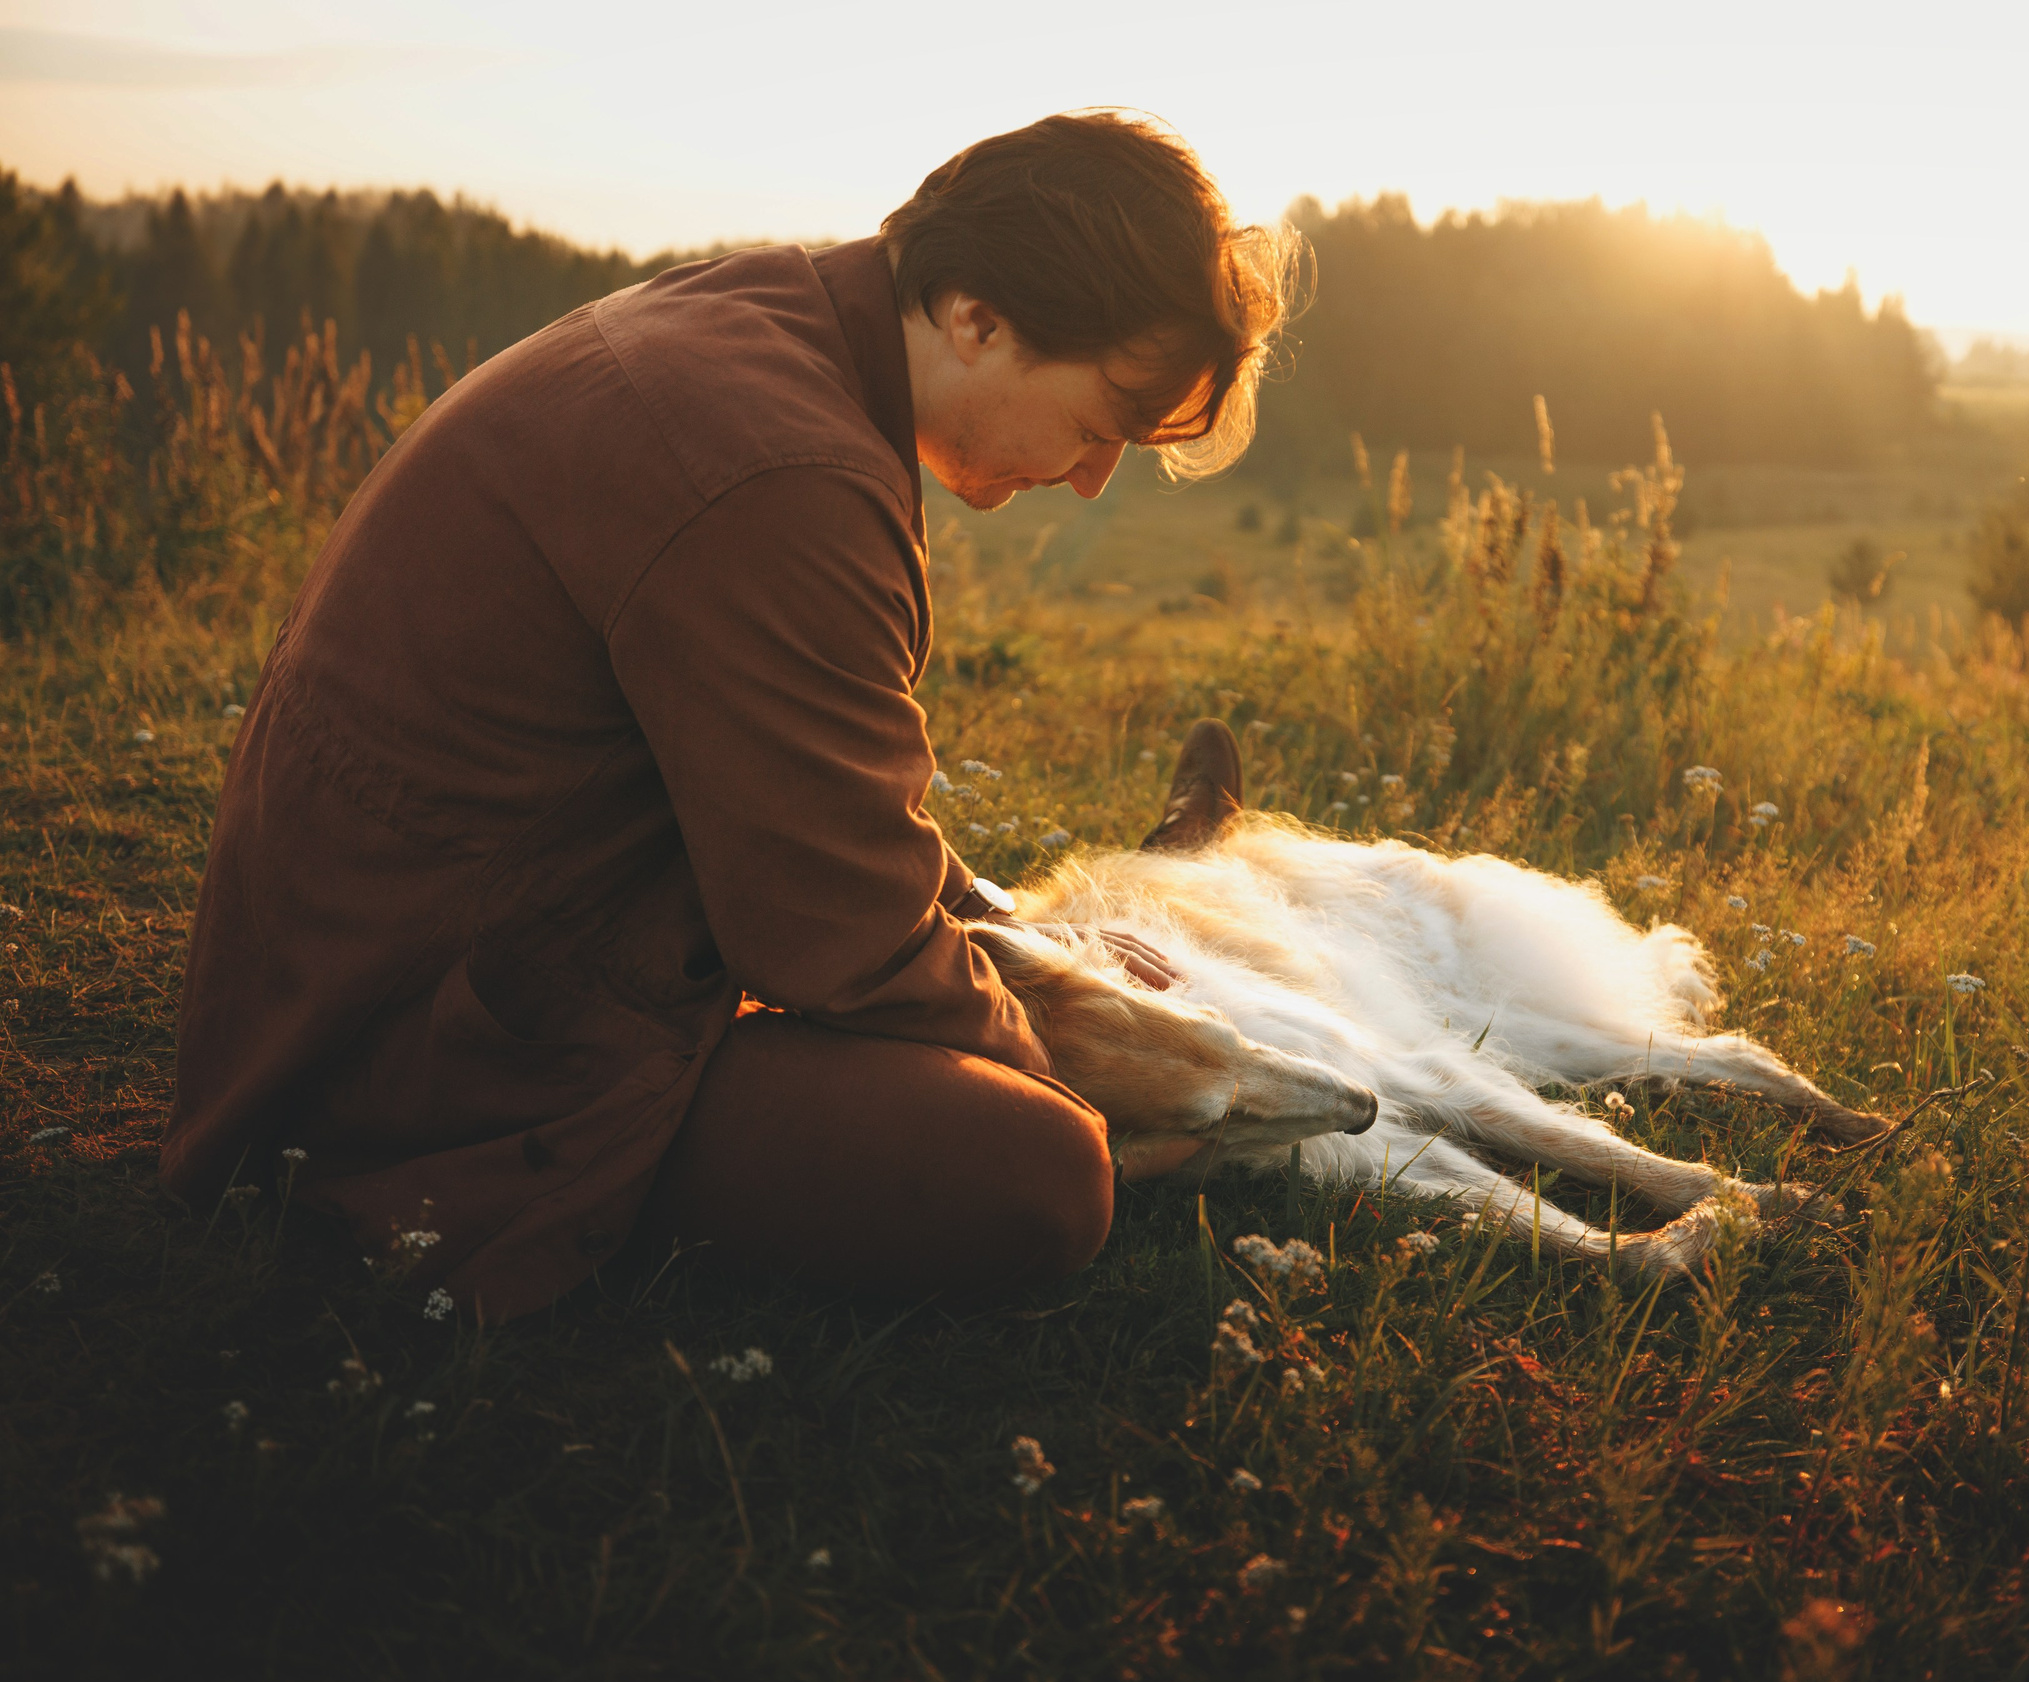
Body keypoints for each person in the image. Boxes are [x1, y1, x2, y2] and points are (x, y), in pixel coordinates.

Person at [157, 112, 1299, 1321]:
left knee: (990, 1061)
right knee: (1041, 1172)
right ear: (977, 316)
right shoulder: (781, 474)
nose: (1088, 477)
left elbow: (811, 798)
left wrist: (1007, 928)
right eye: (1099, 420)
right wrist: (1068, 1049)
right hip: (421, 1052)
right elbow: (838, 939)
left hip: (379, 958)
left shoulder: (767, 324)